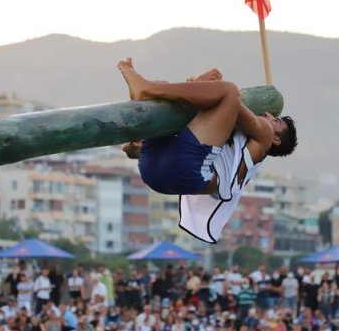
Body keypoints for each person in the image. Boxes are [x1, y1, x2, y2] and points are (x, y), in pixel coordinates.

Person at [118, 60, 297, 243]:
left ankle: (146, 88)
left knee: (228, 91)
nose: (268, 115)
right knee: (165, 91)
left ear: (276, 139)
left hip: (186, 169)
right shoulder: (234, 143)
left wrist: (200, 86)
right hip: (154, 174)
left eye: (276, 121)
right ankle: (149, 90)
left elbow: (232, 101)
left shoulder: (264, 137)